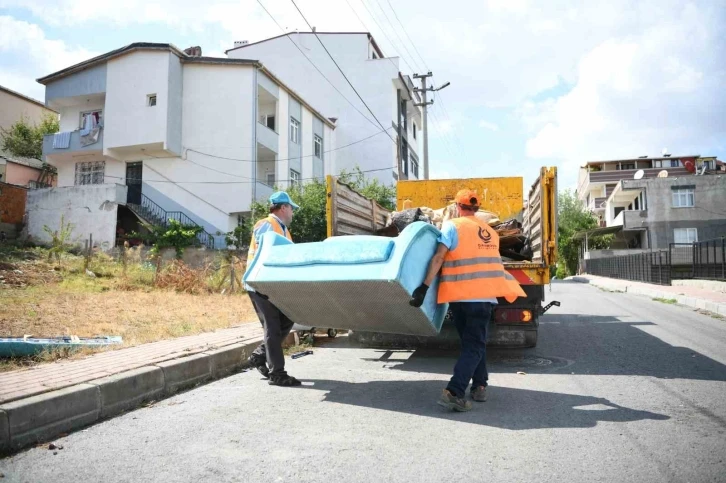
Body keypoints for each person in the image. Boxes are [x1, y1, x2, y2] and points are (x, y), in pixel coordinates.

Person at [410, 189, 526, 412]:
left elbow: (438, 257)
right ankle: (454, 391)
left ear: (457, 207)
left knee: (472, 344)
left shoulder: (453, 225)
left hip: (458, 297)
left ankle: (480, 386)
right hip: (482, 298)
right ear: (476, 209)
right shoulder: (490, 233)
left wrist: (423, 287)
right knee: (475, 345)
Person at [245, 191, 302, 387]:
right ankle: (278, 373)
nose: (293, 213)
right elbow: (265, 253)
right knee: (272, 325)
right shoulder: (266, 224)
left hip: (273, 285)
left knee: (287, 318)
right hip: (259, 283)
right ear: (284, 207)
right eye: (292, 209)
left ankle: (260, 355)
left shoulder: (284, 230)